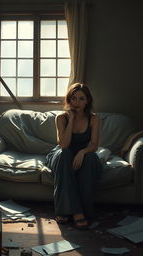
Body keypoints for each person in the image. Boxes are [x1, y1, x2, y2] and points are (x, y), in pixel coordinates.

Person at [45, 83, 102, 230]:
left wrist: (82, 152)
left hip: (83, 153)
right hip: (62, 154)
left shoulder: (94, 119)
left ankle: (74, 210)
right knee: (65, 155)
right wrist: (71, 120)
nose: (77, 103)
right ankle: (76, 212)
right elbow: (63, 145)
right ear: (69, 100)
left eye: (81, 99)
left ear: (87, 100)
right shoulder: (61, 118)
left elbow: (94, 145)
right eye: (74, 98)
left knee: (90, 159)